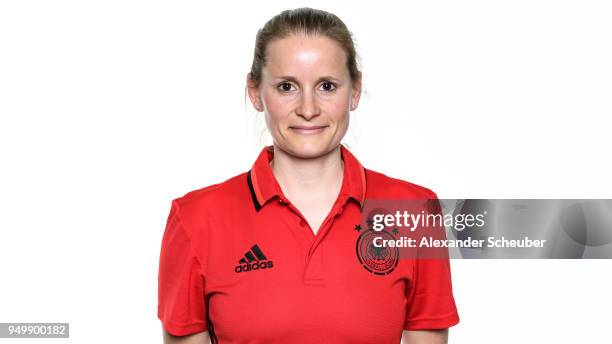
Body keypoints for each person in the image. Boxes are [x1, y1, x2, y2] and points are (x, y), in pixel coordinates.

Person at [158, 7, 459, 344]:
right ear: (256, 93)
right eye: (287, 86)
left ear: (355, 91)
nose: (308, 108)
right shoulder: (195, 218)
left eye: (327, 86)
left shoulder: (416, 210)